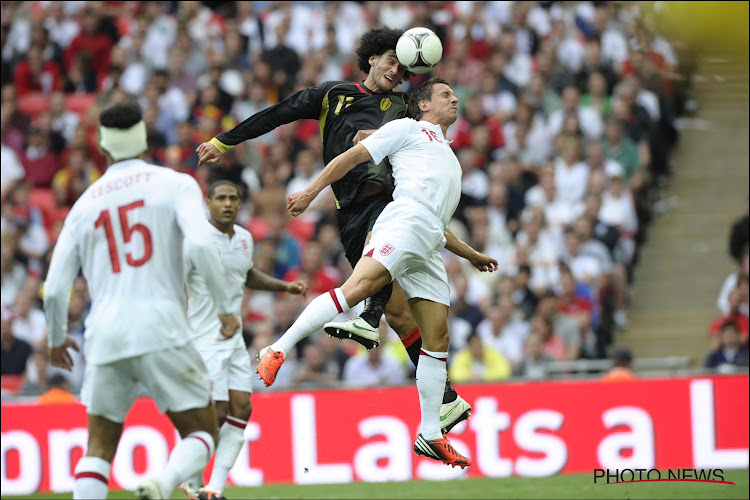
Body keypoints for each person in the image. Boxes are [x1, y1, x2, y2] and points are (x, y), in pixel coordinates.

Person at [196, 26, 472, 435]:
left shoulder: (406, 112)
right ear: (372, 59)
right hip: (349, 213)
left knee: (377, 292)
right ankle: (442, 394)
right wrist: (225, 141)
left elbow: (424, 147)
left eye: (403, 65)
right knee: (399, 313)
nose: (396, 71)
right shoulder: (333, 95)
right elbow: (279, 113)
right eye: (390, 61)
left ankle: (360, 320)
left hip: (391, 207)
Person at [257, 77, 498, 468]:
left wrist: (470, 254)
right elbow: (349, 159)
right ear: (423, 105)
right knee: (358, 288)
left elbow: (437, 222)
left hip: (430, 240)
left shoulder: (449, 156)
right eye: (445, 95)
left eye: (455, 94)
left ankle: (430, 432)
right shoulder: (406, 129)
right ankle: (278, 348)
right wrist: (311, 191)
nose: (455, 99)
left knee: (437, 337)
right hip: (404, 221)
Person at [42, 101, 240, 500]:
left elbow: (51, 289)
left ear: (103, 146)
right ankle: (161, 485)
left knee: (97, 449)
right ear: (145, 141)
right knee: (202, 431)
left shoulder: (84, 205)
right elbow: (202, 244)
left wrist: (56, 339)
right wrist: (223, 307)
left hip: (105, 335)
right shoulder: (176, 184)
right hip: (162, 325)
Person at [181, 180, 308, 500]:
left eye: (233, 198)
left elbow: (246, 274)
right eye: (220, 198)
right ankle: (191, 477)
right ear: (208, 203)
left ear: (240, 204)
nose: (227, 203)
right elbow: (171, 283)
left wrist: (284, 287)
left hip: (234, 338)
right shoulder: (194, 242)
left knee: (242, 408)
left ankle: (215, 487)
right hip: (203, 339)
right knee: (217, 412)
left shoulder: (244, 239)